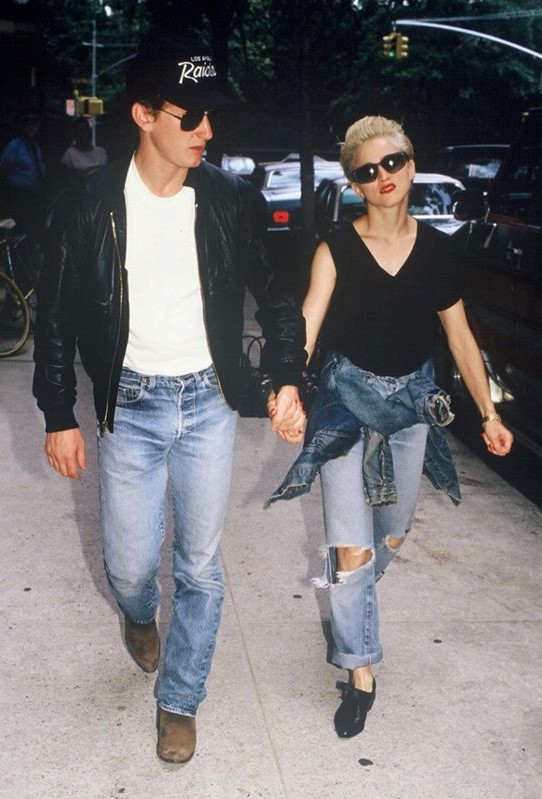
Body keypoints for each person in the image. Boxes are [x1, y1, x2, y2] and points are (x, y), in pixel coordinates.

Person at [32, 37, 306, 764]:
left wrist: (287, 374)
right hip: (129, 405)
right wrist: (59, 413)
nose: (206, 130)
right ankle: (137, 615)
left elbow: (277, 294)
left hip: (208, 402)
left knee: (200, 566)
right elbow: (54, 316)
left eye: (211, 115)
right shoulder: (88, 204)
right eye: (190, 116)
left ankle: (181, 699)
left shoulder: (229, 200)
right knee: (129, 568)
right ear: (144, 115)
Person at [268, 115, 513, 739]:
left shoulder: (439, 251)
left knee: (390, 537)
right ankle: (360, 673)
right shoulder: (335, 249)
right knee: (349, 549)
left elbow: (459, 337)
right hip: (344, 406)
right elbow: (307, 324)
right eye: (367, 170)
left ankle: (347, 602)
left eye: (393, 162)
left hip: (409, 408)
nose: (383, 176)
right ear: (354, 183)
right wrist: (287, 386)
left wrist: (489, 413)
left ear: (411, 164)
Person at [0, 111, 46, 234]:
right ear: (22, 126)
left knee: (34, 230)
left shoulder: (35, 146)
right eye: (28, 124)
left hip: (35, 195)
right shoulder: (14, 146)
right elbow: (2, 170)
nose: (31, 127)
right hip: (18, 196)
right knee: (20, 230)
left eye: (34, 124)